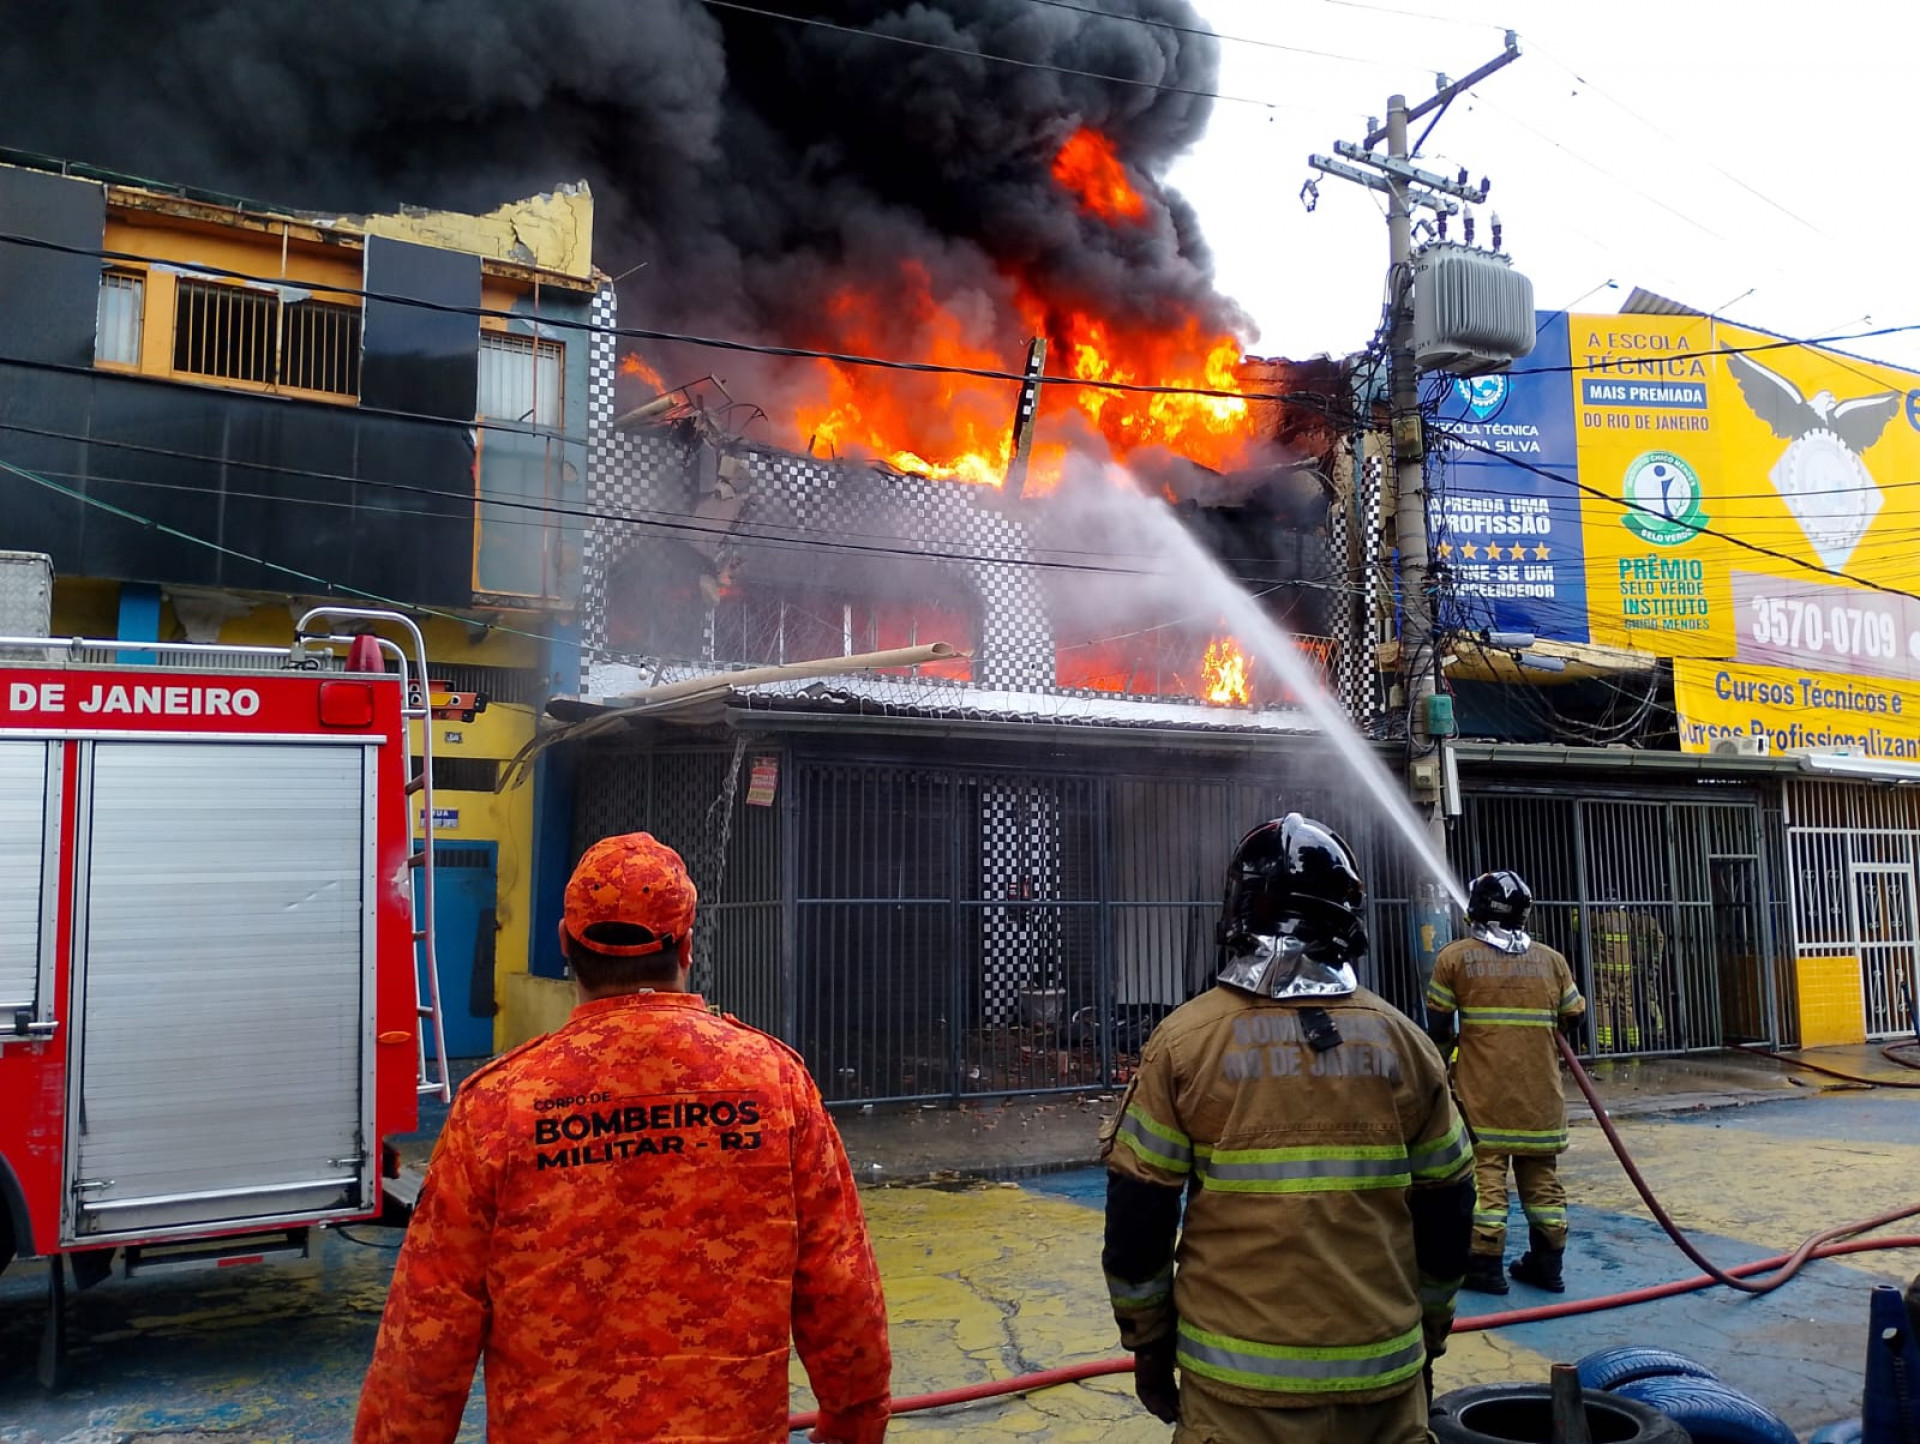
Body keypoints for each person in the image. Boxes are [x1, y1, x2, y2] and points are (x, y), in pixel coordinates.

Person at [354, 832, 891, 1444]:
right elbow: (841, 1286)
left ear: (564, 943)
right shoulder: (774, 1086)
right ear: (686, 946)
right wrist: (854, 1422)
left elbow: (427, 1330)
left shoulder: (500, 1106)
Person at [1101, 813, 1475, 1443]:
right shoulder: (1405, 1043)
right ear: (1347, 917)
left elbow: (1139, 1215)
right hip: (1383, 1382)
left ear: (1241, 909)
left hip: (1237, 1396)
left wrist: (1148, 1344)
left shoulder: (1185, 1043)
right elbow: (1449, 1208)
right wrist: (1427, 1335)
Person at [1425, 870, 1586, 1296]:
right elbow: (1574, 1015)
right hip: (1541, 1099)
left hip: (1485, 1098)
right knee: (1543, 1182)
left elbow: (1439, 1025)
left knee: (1487, 1180)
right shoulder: (1552, 961)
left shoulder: (1454, 959)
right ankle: (1549, 1265)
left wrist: (1440, 1072)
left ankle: (1486, 1267)